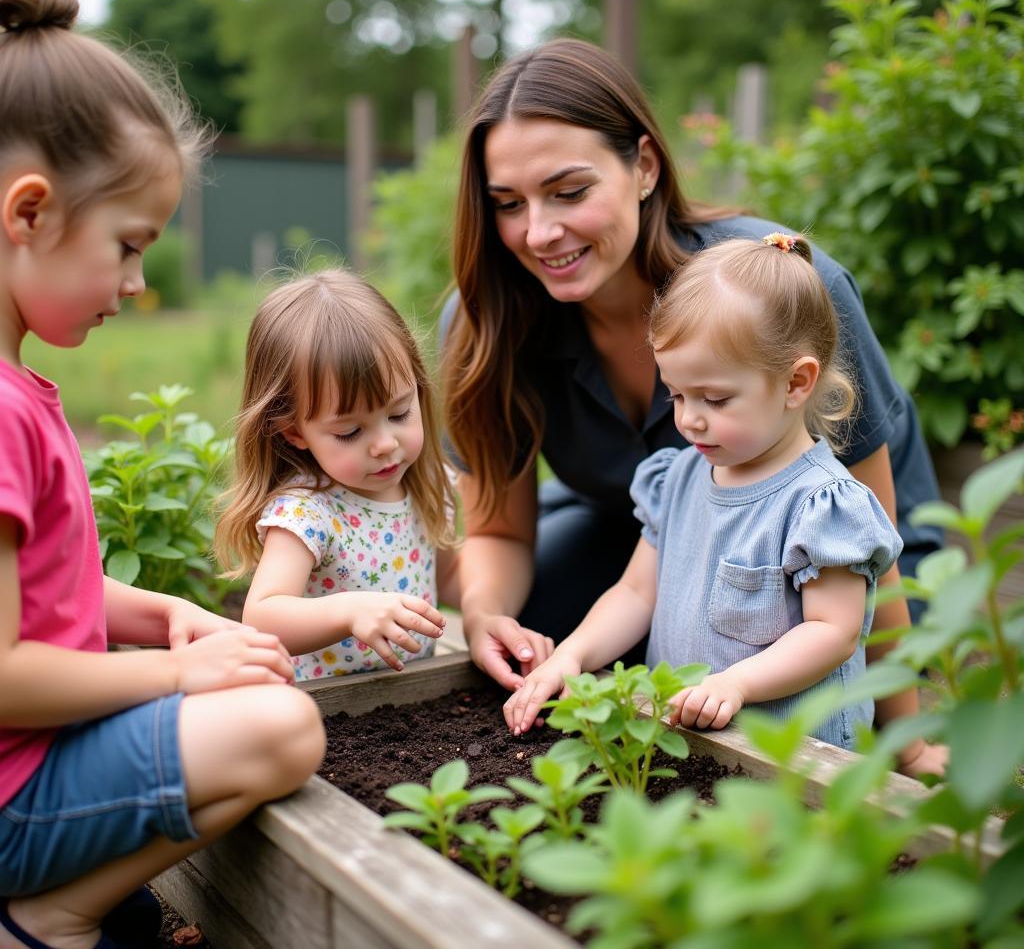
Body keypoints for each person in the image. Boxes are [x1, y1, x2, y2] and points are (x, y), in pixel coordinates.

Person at [440, 37, 944, 774]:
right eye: (508, 205)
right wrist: (484, 616)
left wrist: (906, 741)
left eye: (569, 192)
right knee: (536, 634)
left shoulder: (778, 289)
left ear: (643, 166)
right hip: (659, 539)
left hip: (814, 568)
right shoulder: (491, 314)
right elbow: (497, 531)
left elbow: (874, 548)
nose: (538, 233)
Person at [0, 0, 326, 949]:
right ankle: (51, 915)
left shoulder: (18, 390)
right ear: (29, 213)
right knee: (282, 728)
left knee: (249, 692)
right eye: (128, 246)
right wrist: (176, 675)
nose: (138, 282)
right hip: (14, 794)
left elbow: (47, 593)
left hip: (26, 767)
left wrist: (163, 616)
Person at [505, 234, 905, 751]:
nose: (689, 419)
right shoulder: (678, 479)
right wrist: (573, 654)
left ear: (795, 383)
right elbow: (635, 593)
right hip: (688, 742)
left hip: (796, 759)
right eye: (675, 394)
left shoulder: (821, 505)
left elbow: (833, 631)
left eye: (715, 398)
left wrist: (735, 683)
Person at [214, 270, 457, 681]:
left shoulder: (425, 485)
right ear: (294, 431)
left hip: (417, 698)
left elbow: (449, 578)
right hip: (327, 709)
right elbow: (263, 615)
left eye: (399, 413)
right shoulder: (307, 514)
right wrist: (348, 612)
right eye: (350, 431)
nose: (384, 444)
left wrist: (491, 613)